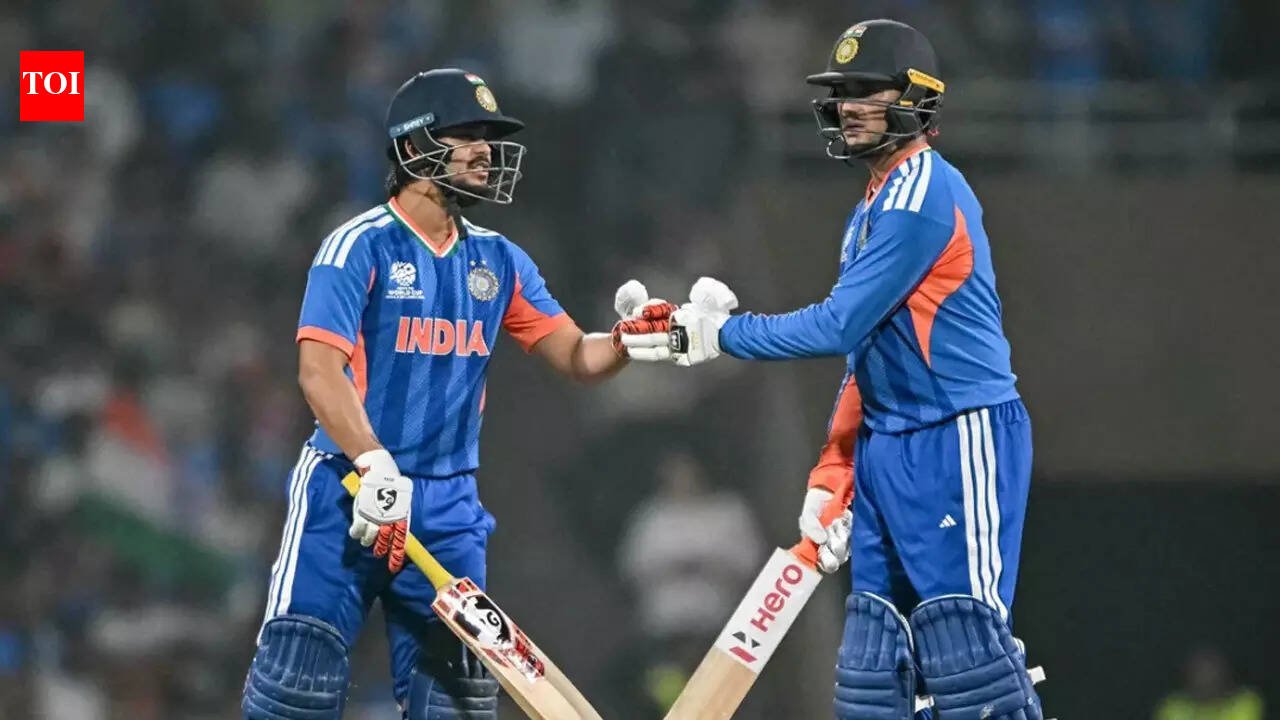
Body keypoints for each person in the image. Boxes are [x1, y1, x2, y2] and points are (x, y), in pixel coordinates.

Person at [620, 19, 1046, 720]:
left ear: (915, 100)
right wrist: (833, 471)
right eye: (841, 92)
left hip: (955, 436)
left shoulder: (923, 196)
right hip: (887, 443)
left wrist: (718, 333)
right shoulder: (870, 209)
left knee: (965, 651)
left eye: (866, 91)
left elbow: (837, 324)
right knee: (875, 669)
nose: (848, 106)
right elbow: (864, 356)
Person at [241, 68, 673, 720]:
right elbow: (319, 371)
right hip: (347, 487)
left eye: (489, 138)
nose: (486, 151)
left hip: (447, 506)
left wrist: (624, 341)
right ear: (415, 147)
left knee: (459, 701)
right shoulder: (357, 246)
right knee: (296, 684)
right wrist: (372, 462)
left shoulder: (500, 260)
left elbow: (574, 355)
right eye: (467, 135)